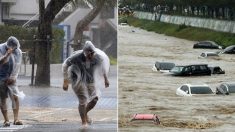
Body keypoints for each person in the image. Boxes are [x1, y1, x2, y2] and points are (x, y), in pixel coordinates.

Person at [62, 41, 110, 127]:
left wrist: (106, 79)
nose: (91, 56)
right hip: (77, 79)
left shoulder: (97, 57)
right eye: (89, 54)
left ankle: (85, 113)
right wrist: (65, 81)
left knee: (95, 99)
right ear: (85, 53)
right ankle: (84, 122)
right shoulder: (77, 57)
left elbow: (102, 67)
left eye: (92, 53)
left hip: (90, 80)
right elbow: (65, 65)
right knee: (83, 100)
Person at [0, 36, 23, 127]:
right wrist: (7, 54)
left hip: (11, 78)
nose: (14, 49)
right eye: (12, 47)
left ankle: (16, 119)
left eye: (15, 48)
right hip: (1, 77)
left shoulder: (18, 52)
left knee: (15, 97)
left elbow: (17, 65)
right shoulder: (1, 48)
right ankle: (6, 120)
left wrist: (13, 78)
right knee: (3, 99)